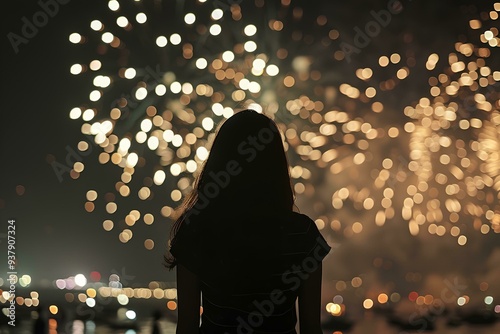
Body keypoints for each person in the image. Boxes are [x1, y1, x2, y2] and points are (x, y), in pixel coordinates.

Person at [165, 109, 331, 333]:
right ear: (276, 164)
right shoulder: (303, 234)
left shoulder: (196, 233)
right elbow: (311, 328)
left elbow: (186, 327)